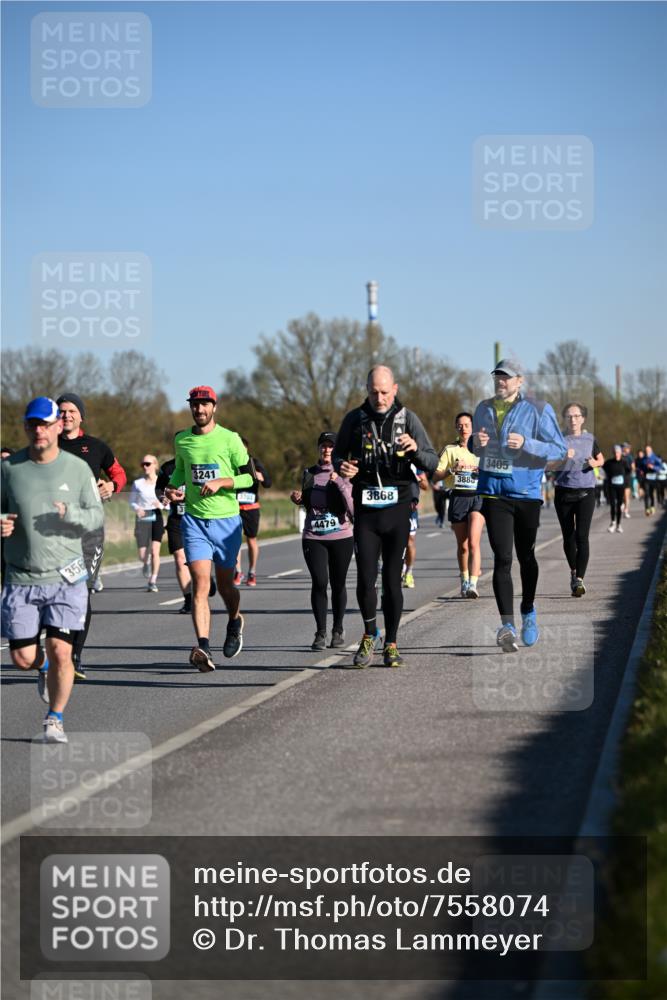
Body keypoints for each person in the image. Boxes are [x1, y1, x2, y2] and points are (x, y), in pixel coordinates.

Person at [1, 397, 103, 742]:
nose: (39, 430)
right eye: (33, 424)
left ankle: (54, 719)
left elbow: (96, 516)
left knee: (62, 649)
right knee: (21, 657)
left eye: (45, 424)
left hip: (66, 575)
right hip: (21, 575)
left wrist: (70, 515)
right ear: (26, 427)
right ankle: (42, 667)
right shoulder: (10, 469)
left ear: (59, 426)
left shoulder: (77, 469)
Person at [333, 365, 438, 667]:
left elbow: (430, 459)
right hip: (366, 509)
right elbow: (339, 455)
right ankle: (369, 635)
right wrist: (344, 467)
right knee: (366, 579)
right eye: (373, 392)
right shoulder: (354, 420)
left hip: (397, 507)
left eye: (383, 392)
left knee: (392, 581)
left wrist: (415, 449)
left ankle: (391, 643)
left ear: (395, 389)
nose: (379, 398)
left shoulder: (409, 419)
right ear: (366, 390)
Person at [471, 358, 567, 653]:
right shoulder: (483, 409)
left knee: (526, 556)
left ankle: (528, 609)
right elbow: (476, 447)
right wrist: (478, 442)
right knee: (502, 558)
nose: (501, 381)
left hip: (525, 493)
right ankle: (507, 625)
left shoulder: (539, 410)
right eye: (497, 376)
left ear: (520, 381)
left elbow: (559, 449)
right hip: (493, 493)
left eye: (507, 377)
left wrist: (528, 443)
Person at [164, 385, 253, 671]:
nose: (199, 410)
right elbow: (180, 470)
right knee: (200, 585)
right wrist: (172, 489)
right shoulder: (182, 440)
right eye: (195, 405)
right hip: (194, 522)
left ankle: (235, 619)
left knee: (226, 586)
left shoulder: (230, 439)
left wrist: (221, 482)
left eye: (205, 405)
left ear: (214, 406)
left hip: (226, 523)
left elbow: (248, 479)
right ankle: (203, 647)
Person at [56, 392, 127, 678]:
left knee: (81, 592)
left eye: (72, 411)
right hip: (54, 532)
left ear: (81, 415)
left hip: (89, 532)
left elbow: (119, 474)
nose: (66, 415)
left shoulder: (96, 447)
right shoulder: (46, 446)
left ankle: (74, 656)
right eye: (61, 411)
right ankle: (56, 650)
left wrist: (113, 486)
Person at [290, 431, 354, 650]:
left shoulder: (345, 473)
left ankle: (337, 629)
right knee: (319, 582)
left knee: (338, 584)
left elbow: (352, 507)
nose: (327, 450)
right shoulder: (309, 473)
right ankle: (320, 632)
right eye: (323, 446)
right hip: (314, 536)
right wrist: (298, 498)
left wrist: (339, 483)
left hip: (341, 536)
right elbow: (308, 503)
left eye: (331, 446)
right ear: (318, 449)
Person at [552, 403, 604, 597]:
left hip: (585, 493)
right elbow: (548, 464)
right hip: (564, 492)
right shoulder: (558, 439)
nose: (572, 419)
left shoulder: (590, 439)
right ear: (565, 419)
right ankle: (573, 572)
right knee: (568, 536)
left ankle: (579, 580)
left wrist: (594, 462)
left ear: (583, 418)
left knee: (582, 536)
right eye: (569, 416)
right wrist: (563, 458)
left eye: (576, 416)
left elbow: (601, 459)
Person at [433, 411, 484, 598]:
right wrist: (450, 471)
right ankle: (463, 579)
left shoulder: (481, 449)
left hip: (478, 498)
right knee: (462, 546)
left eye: (467, 425)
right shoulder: (450, 450)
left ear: (473, 427)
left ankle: (473, 584)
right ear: (456, 428)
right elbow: (436, 475)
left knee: (473, 542)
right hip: (458, 497)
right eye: (460, 425)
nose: (464, 429)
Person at [234, 438, 272, 587]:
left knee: (251, 540)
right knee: (235, 542)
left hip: (251, 508)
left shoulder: (254, 462)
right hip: (234, 508)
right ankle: (238, 572)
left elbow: (268, 483)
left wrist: (260, 476)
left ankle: (252, 572)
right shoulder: (231, 463)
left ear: (247, 449)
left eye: (242, 448)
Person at [129, 455, 166, 592]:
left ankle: (153, 580)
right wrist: (137, 508)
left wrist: (161, 505)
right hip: (142, 517)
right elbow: (132, 501)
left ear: (155, 465)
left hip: (156, 516)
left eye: (148, 464)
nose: (145, 466)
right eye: (143, 464)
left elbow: (169, 503)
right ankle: (146, 563)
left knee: (155, 551)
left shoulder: (162, 483)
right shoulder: (138, 484)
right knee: (142, 555)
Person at [401, 468, 429, 589]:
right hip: (391, 506)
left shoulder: (415, 462)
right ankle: (399, 568)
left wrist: (418, 479)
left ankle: (409, 572)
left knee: (409, 541)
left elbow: (425, 485)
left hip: (409, 508)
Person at [603, 445, 627, 533]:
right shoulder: (609, 463)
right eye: (615, 452)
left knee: (619, 506)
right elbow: (603, 470)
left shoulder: (624, 462)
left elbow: (628, 472)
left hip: (621, 487)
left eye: (618, 452)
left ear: (620, 453)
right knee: (613, 505)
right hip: (611, 487)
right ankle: (612, 523)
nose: (617, 454)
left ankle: (619, 524)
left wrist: (626, 483)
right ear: (613, 453)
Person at [636, 445, 662, 516]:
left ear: (651, 450)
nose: (647, 452)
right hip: (646, 478)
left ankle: (652, 506)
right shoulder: (643, 459)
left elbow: (660, 467)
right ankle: (647, 508)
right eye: (646, 450)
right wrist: (640, 471)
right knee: (646, 493)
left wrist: (653, 467)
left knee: (651, 494)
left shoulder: (655, 458)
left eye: (648, 450)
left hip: (653, 478)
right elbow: (639, 467)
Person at [621, 443, 635, 518]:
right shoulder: (619, 456)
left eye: (628, 448)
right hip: (620, 478)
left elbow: (633, 467)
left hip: (627, 478)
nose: (628, 449)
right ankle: (623, 504)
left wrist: (631, 470)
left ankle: (626, 511)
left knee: (626, 495)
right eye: (626, 448)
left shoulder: (630, 457)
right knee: (622, 495)